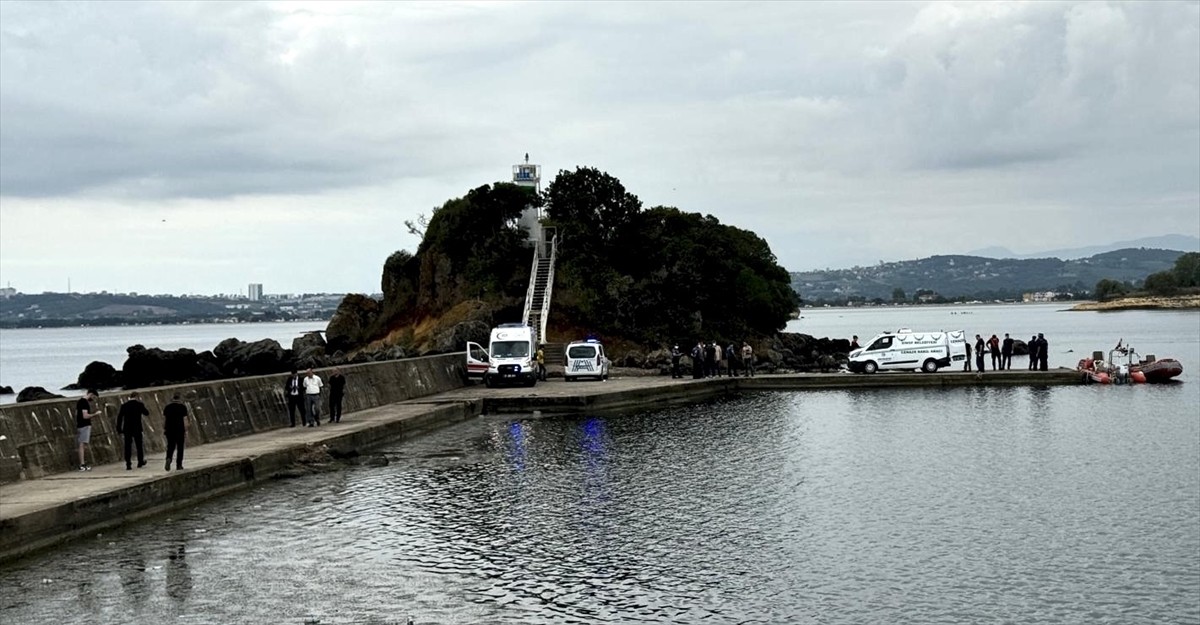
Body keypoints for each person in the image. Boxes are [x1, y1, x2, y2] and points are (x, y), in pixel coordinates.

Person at [116, 391, 149, 470]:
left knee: (127, 446)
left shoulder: (124, 406)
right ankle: (140, 462)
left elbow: (119, 418)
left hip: (127, 428)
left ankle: (128, 464)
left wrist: (119, 429)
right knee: (139, 446)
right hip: (137, 428)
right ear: (137, 397)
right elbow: (146, 413)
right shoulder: (139, 405)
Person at [75, 389, 101, 471]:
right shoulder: (84, 402)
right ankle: (82, 464)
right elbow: (85, 416)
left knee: (83, 445)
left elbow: (77, 413)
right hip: (84, 425)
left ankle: (83, 464)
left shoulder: (80, 401)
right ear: (91, 394)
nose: (93, 399)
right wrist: (95, 414)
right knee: (82, 445)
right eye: (94, 397)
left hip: (81, 425)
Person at [163, 393, 188, 471]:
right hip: (180, 430)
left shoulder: (167, 407)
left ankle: (168, 458)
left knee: (170, 446)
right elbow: (185, 420)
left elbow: (164, 420)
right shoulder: (182, 407)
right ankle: (179, 465)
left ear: (172, 399)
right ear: (179, 399)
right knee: (180, 448)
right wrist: (186, 430)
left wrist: (164, 428)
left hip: (169, 430)